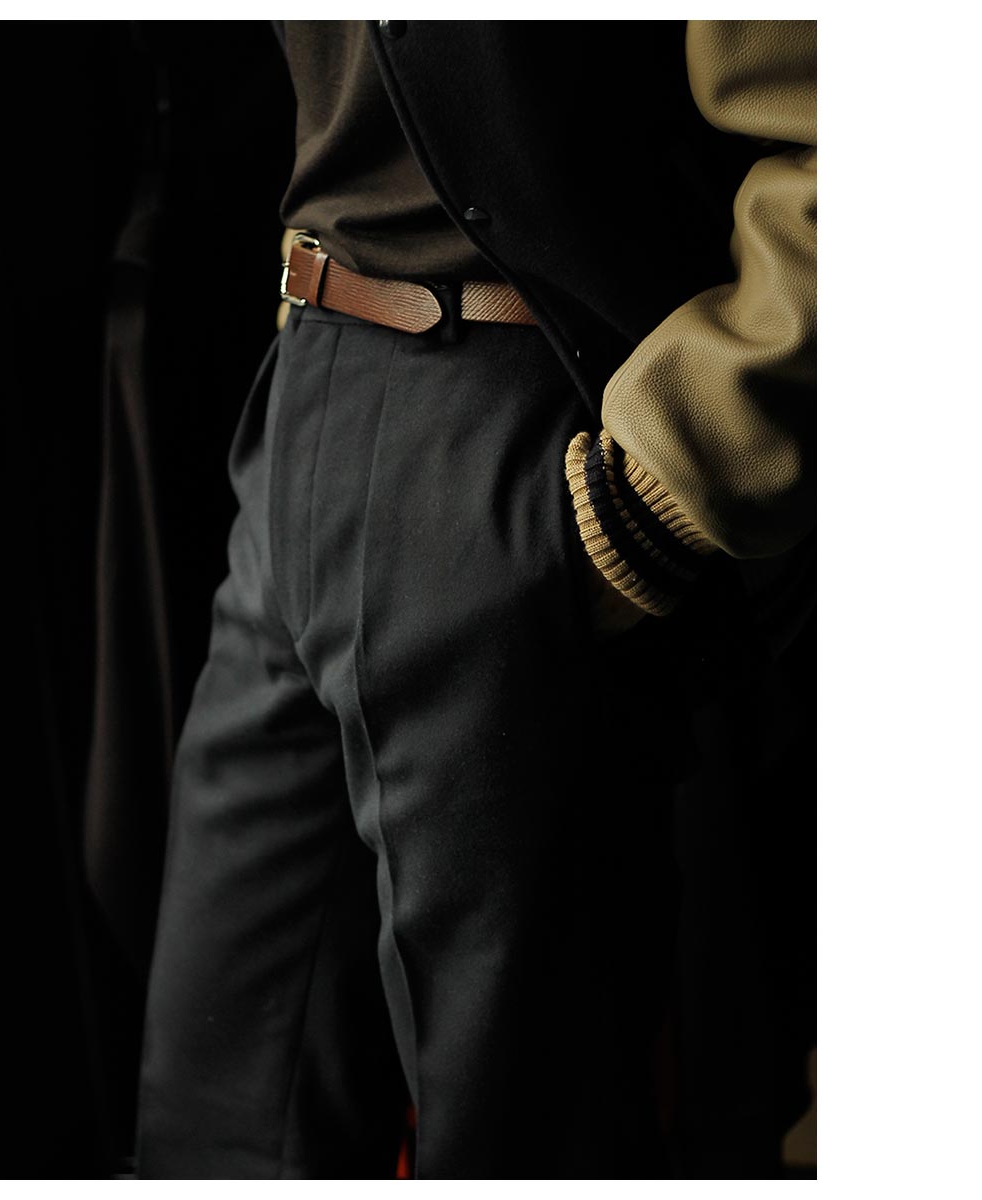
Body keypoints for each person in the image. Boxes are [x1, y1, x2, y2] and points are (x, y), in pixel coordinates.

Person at [134, 19, 815, 1179]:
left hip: (510, 439)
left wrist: (671, 479)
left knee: (515, 1131)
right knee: (220, 1111)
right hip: (307, 387)